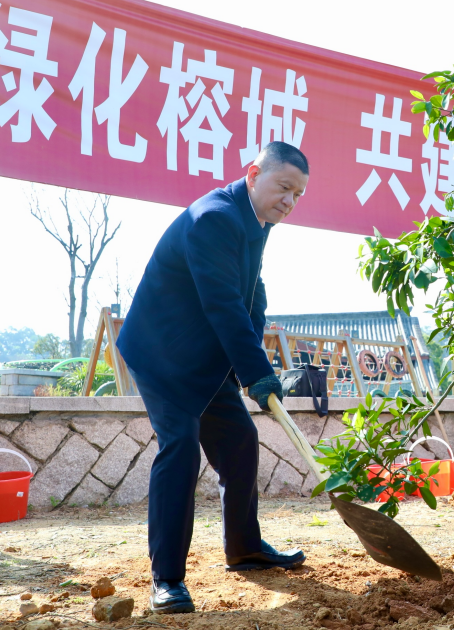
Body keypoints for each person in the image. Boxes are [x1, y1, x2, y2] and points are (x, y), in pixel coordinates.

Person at [117, 142, 310, 615]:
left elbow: (251, 292)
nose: (289, 201)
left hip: (203, 356)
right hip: (162, 354)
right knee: (180, 446)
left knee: (240, 439)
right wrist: (256, 374)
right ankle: (166, 580)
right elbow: (222, 305)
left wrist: (258, 363)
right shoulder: (215, 218)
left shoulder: (257, 222)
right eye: (284, 187)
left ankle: (243, 547)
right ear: (253, 173)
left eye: (298, 194)